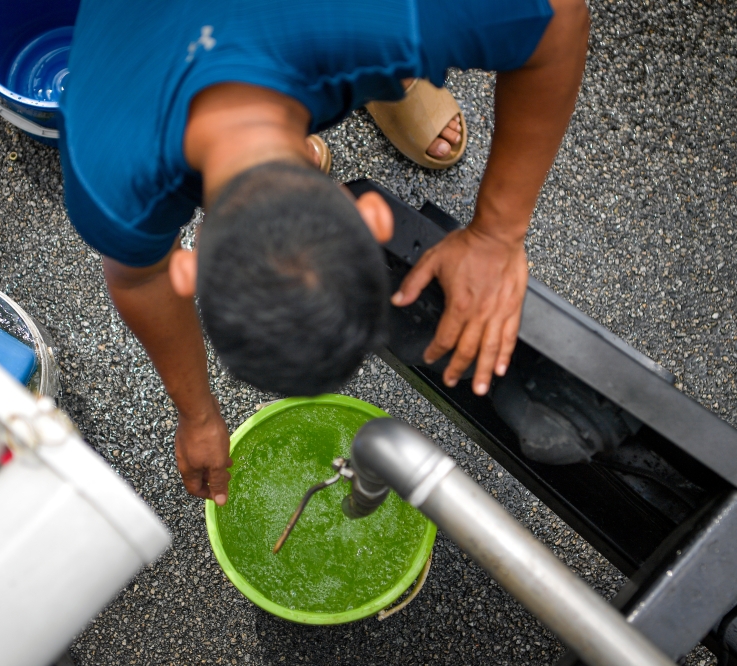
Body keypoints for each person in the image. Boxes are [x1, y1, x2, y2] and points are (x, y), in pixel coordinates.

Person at [58, 0, 590, 505]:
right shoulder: (112, 184)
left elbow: (558, 21)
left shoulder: (390, 19)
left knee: (397, 51)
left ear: (186, 269)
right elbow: (136, 281)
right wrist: (196, 414)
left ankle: (397, 86)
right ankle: (350, 104)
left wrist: (499, 232)